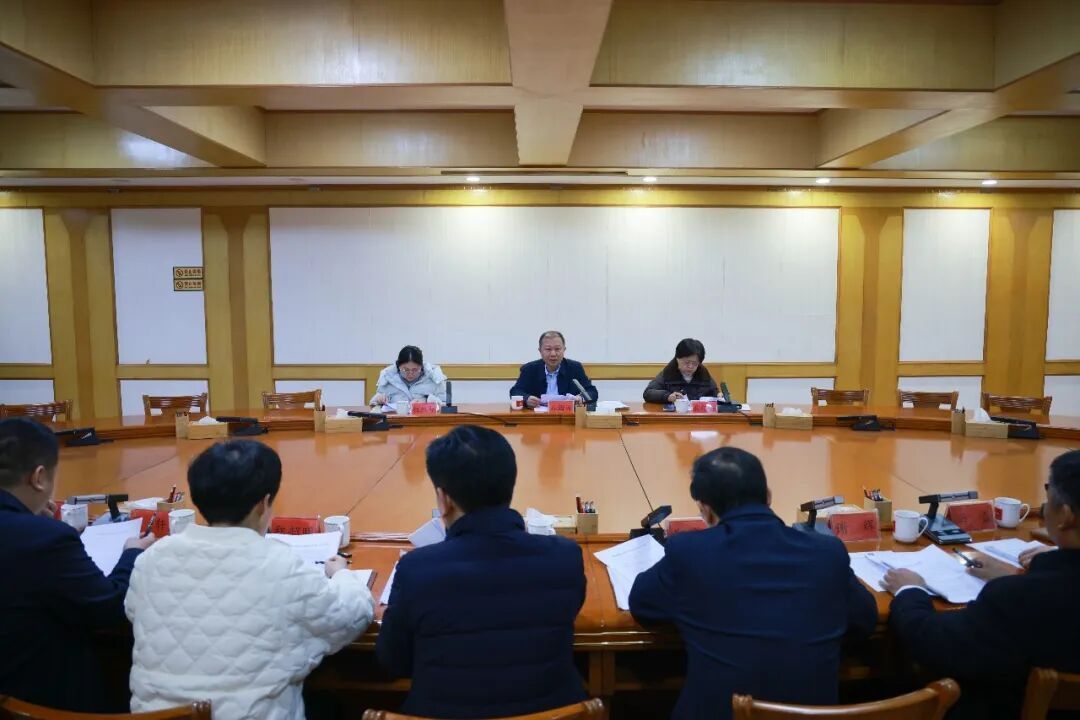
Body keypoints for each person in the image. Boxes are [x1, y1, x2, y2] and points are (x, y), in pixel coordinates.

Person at [125, 440, 374, 719]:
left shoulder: (151, 559)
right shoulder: (280, 565)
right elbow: (351, 617)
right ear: (263, 504)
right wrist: (342, 575)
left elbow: (133, 610)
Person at [629, 447, 878, 720]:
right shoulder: (827, 553)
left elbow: (642, 606)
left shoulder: (689, 552)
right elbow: (865, 620)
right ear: (768, 496)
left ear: (705, 510)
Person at [377, 425, 587, 718]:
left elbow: (393, 662)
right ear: (510, 485)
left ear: (443, 500)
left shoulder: (416, 569)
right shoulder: (565, 557)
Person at [882, 449, 1080, 720]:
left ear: (1066, 516)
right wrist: (1018, 577)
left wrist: (910, 590)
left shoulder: (1016, 600)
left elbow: (932, 643)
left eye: (1049, 493)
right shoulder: (1028, 590)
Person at [0, 417, 155, 711]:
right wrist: (132, 553)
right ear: (39, 477)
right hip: (40, 705)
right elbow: (111, 608)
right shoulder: (45, 539)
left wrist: (29, 517)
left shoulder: (37, 533)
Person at [509, 330, 598, 408]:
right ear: (540, 351)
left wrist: (581, 398)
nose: (553, 354)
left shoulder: (574, 368)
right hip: (538, 416)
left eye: (557, 349)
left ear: (564, 350)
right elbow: (515, 391)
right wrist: (526, 399)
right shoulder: (529, 369)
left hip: (567, 416)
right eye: (548, 349)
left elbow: (592, 391)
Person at [643, 338, 720, 404]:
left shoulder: (703, 374)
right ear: (677, 358)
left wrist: (719, 396)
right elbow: (648, 393)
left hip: (698, 415)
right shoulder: (669, 372)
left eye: (695, 363)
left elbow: (714, 393)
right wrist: (667, 396)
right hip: (675, 415)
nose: (690, 366)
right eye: (687, 362)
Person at [370, 345, 447, 406]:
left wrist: (427, 400)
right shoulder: (388, 376)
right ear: (398, 366)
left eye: (415, 370)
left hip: (425, 420)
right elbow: (373, 404)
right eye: (405, 370)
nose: (410, 374)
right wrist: (379, 399)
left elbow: (444, 404)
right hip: (395, 419)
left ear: (421, 367)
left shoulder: (434, 377)